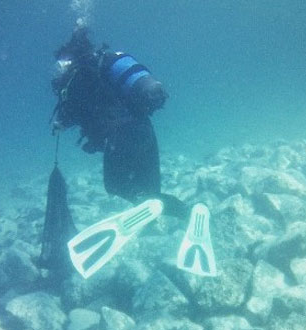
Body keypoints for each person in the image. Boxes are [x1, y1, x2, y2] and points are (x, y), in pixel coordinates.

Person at [49, 27, 216, 279]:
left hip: (121, 136)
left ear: (70, 58)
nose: (61, 69)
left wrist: (62, 121)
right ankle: (192, 211)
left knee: (115, 185)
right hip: (144, 131)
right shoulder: (107, 64)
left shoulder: (80, 75)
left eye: (62, 63)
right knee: (151, 194)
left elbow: (78, 110)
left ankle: (150, 205)